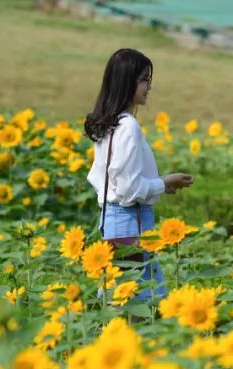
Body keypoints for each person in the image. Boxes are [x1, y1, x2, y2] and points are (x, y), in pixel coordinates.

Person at [84, 48, 193, 302]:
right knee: (144, 303)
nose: (149, 87)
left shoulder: (108, 123)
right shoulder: (128, 126)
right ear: (127, 81)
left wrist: (159, 186)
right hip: (131, 222)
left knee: (117, 300)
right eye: (144, 80)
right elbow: (128, 189)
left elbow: (111, 181)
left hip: (112, 220)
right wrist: (165, 181)